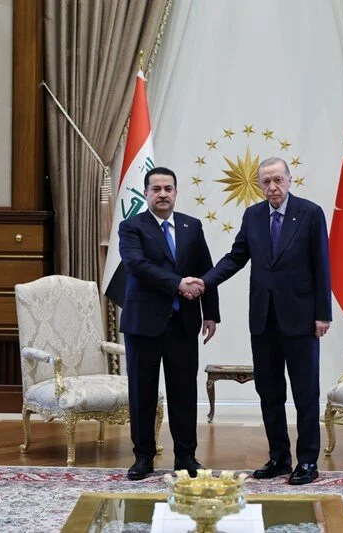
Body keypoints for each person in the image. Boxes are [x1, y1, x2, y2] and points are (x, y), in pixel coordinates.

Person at [201, 156, 331, 485]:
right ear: (259, 185)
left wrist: (323, 314)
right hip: (263, 320)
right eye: (266, 182)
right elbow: (236, 257)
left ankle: (308, 461)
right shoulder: (253, 216)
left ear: (289, 180)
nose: (272, 187)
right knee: (269, 392)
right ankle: (279, 458)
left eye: (277, 180)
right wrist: (205, 282)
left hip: (301, 319)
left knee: (305, 393)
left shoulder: (310, 213)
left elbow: (322, 265)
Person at [119, 166, 219, 480]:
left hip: (183, 325)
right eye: (156, 189)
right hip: (143, 325)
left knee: (184, 393)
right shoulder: (131, 226)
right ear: (146, 193)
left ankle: (186, 457)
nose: (163, 194)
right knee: (142, 393)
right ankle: (143, 457)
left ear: (176, 192)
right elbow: (137, 266)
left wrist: (211, 313)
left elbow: (205, 269)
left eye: (168, 189)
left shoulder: (192, 225)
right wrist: (178, 283)